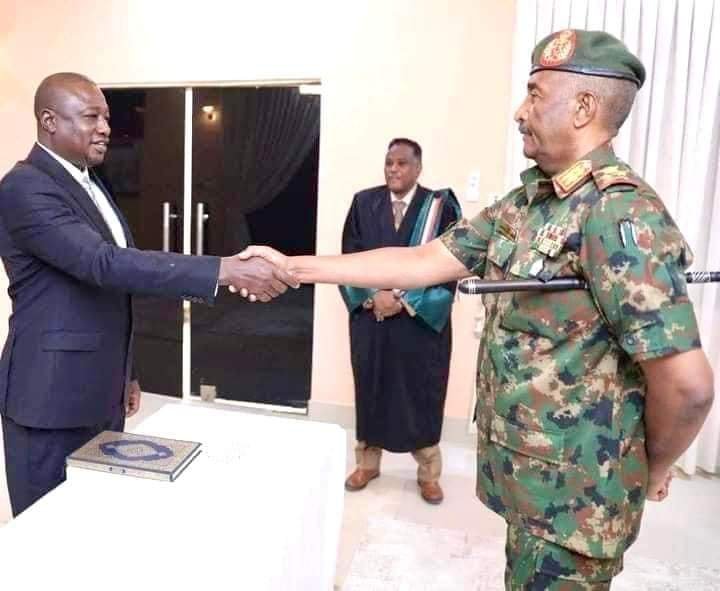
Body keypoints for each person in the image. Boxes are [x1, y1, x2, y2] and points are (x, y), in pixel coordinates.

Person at [240, 30, 714, 589]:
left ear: (584, 107)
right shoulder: (529, 202)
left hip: (579, 501)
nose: (520, 112)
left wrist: (650, 468)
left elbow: (688, 387)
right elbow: (423, 260)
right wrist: (292, 266)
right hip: (532, 482)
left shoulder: (618, 214)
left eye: (535, 95)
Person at [0, 72, 296, 516]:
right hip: (49, 398)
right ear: (49, 121)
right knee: (46, 528)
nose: (105, 128)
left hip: (100, 390)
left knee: (92, 520)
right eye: (91, 117)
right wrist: (222, 269)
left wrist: (127, 372)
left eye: (106, 117)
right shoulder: (24, 187)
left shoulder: (87, 182)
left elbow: (107, 295)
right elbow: (103, 264)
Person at [339, 138, 460, 504]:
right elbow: (348, 258)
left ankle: (429, 474)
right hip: (372, 318)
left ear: (418, 168)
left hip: (419, 323)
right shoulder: (364, 203)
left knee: (421, 393)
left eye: (402, 163)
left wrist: (403, 300)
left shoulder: (440, 207)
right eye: (389, 162)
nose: (393, 169)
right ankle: (367, 464)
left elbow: (451, 263)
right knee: (371, 388)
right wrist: (373, 296)